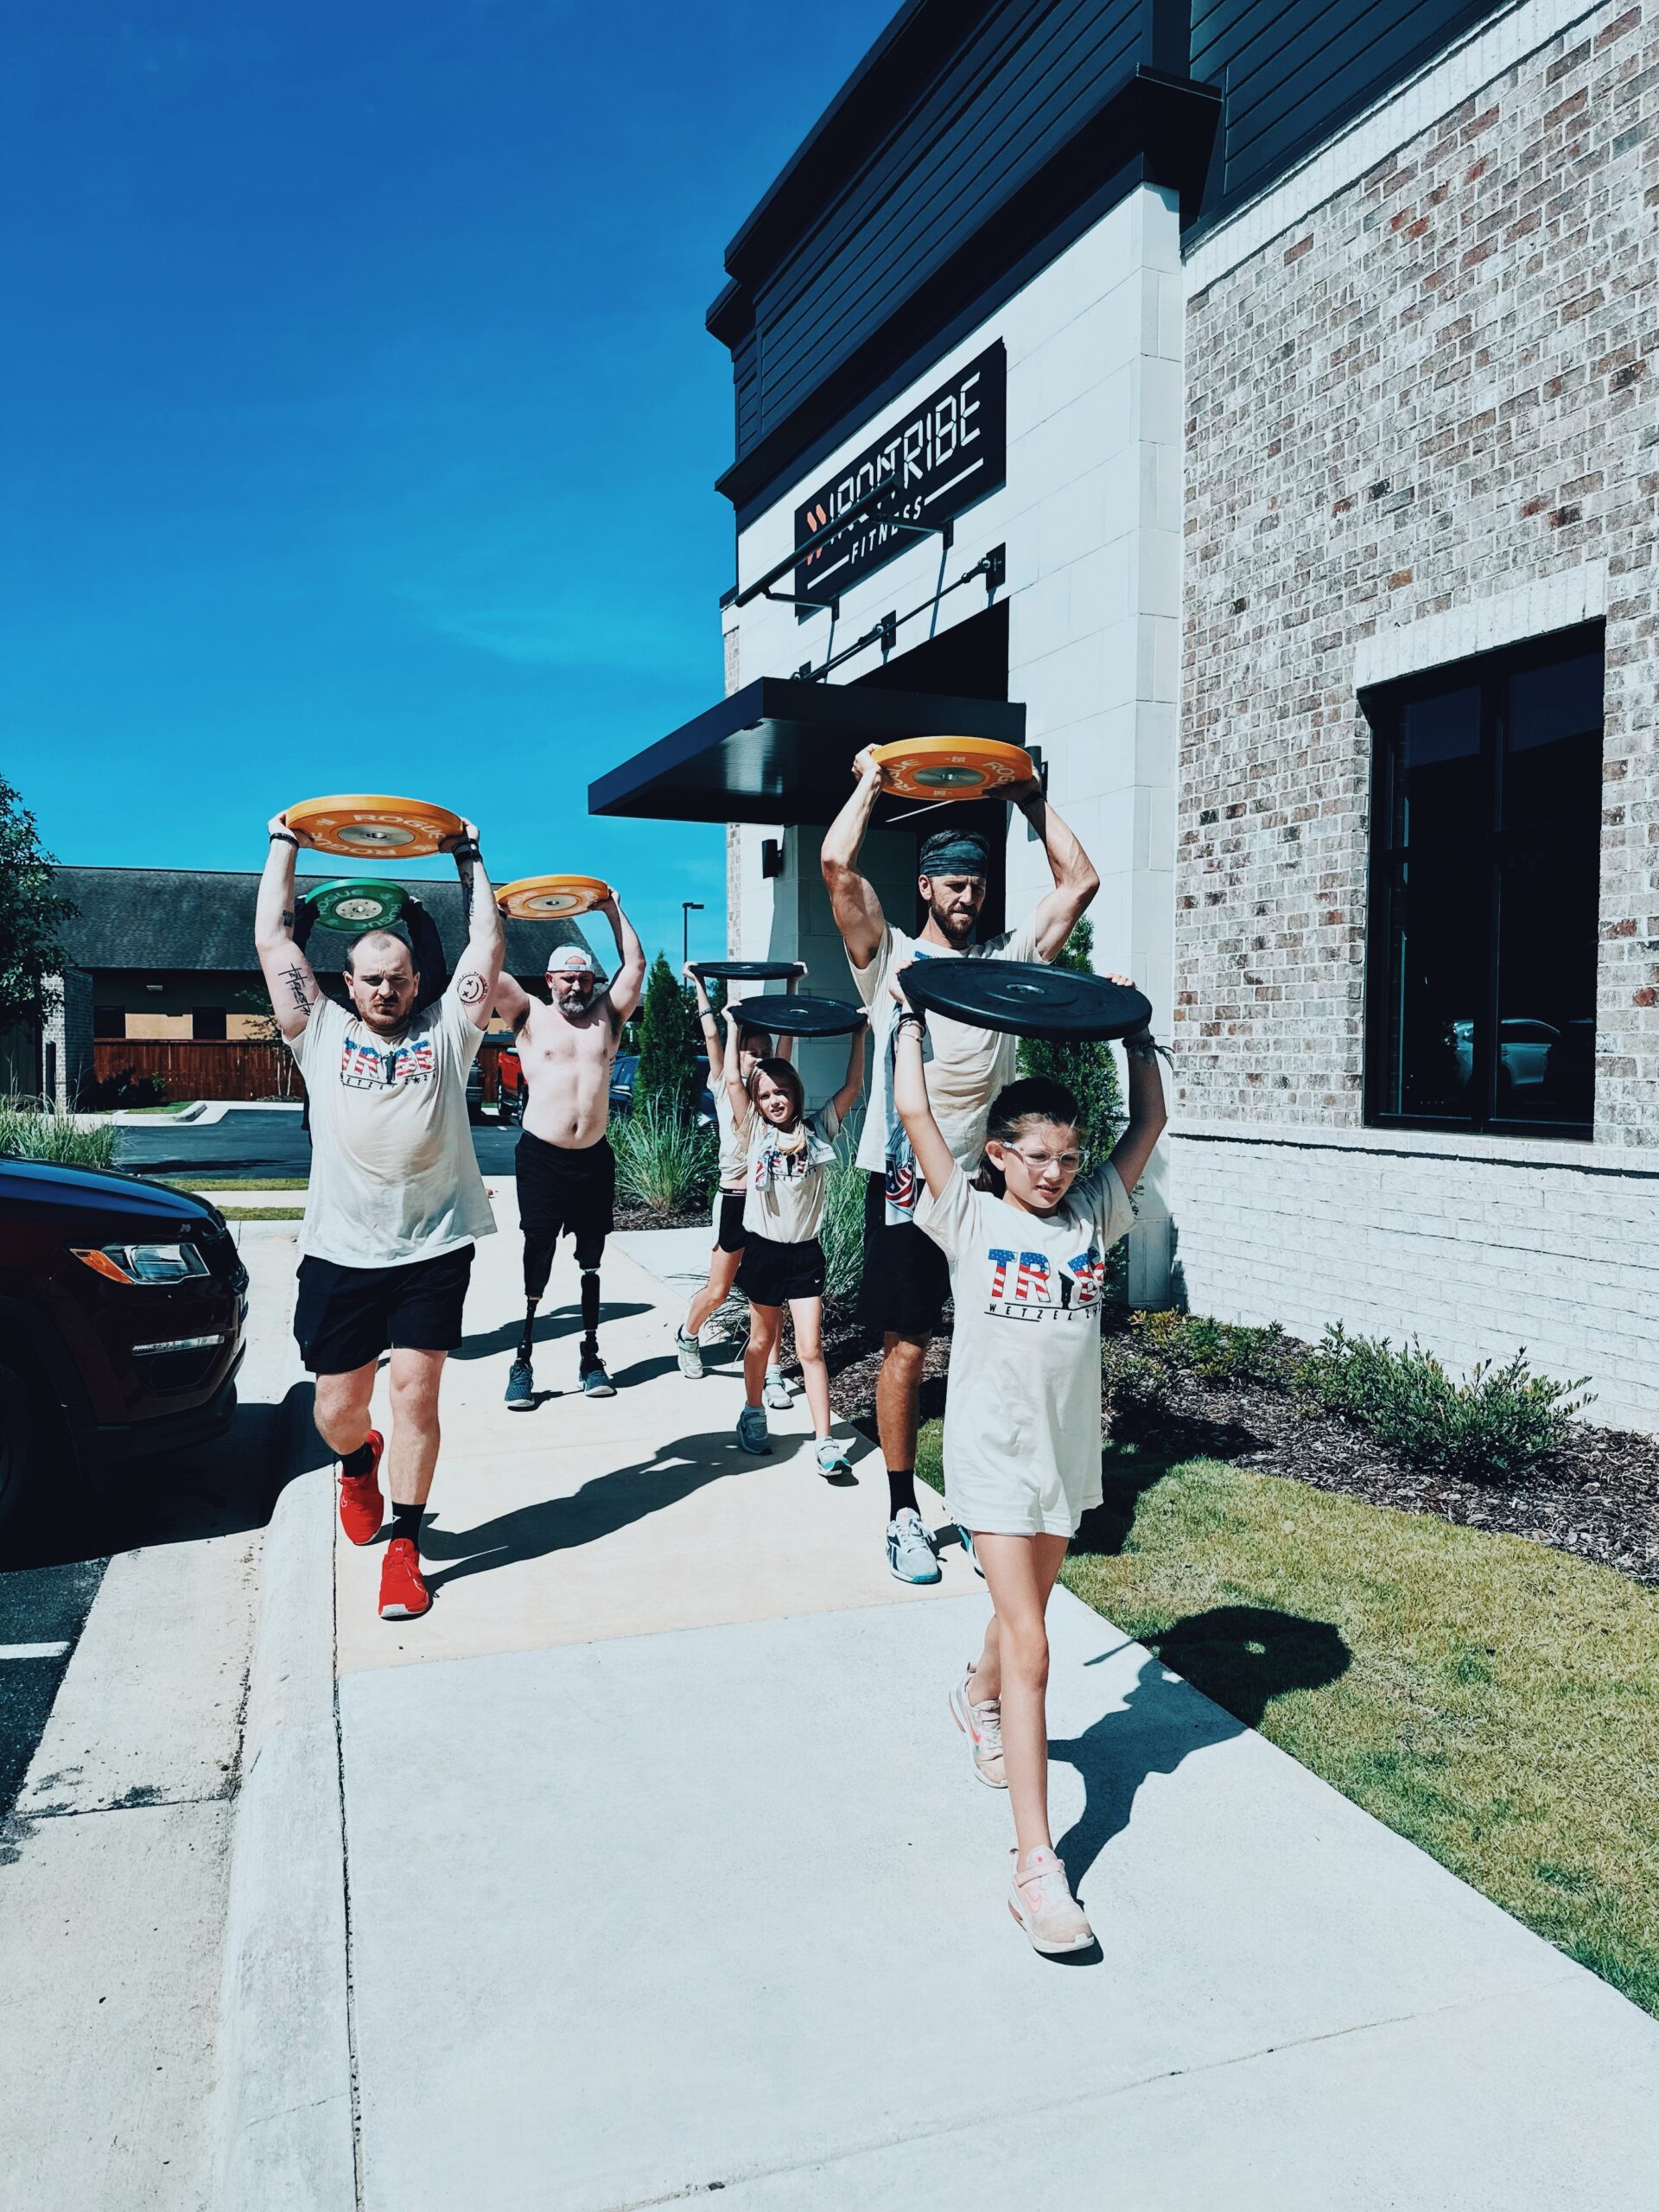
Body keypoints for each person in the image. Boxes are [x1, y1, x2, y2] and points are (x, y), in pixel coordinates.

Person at [891, 978, 1166, 1954]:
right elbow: (918, 1110)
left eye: (1065, 1157)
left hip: (1065, 1455)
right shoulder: (967, 1214)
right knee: (1037, 1641)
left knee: (1023, 1621)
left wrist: (1137, 1034)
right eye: (1034, 1157)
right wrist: (912, 1022)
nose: (1053, 1172)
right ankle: (1036, 1872)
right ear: (1000, 1154)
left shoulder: (1093, 1211)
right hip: (991, 1455)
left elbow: (1152, 1116)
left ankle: (973, 1697)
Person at [820, 748, 1099, 1586]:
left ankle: (985, 1510)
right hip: (908, 1182)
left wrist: (1031, 798)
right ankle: (903, 1510)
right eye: (952, 884)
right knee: (905, 1348)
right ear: (926, 888)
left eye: (976, 885)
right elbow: (837, 865)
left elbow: (1078, 882)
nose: (967, 896)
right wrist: (869, 778)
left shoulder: (1009, 963)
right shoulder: (894, 959)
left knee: (991, 1350)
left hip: (989, 1188)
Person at [254, 808, 505, 1623]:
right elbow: (274, 942)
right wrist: (285, 842)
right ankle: (358, 1464)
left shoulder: (448, 1033)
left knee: (416, 1395)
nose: (388, 989)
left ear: (413, 982)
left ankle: (405, 1547)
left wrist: (468, 855)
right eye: (372, 978)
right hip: (339, 1253)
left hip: (433, 1246)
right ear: (349, 984)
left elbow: (486, 949)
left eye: (399, 976)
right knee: (338, 1409)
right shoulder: (317, 1031)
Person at [492, 895, 645, 1406]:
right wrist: (500, 917)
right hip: (541, 1156)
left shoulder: (610, 1018)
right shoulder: (528, 1015)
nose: (576, 986)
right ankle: (522, 1359)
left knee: (591, 1259)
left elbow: (636, 965)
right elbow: (488, 966)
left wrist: (610, 909)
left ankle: (591, 1357)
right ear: (549, 981)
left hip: (593, 1158)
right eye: (566, 978)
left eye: (583, 978)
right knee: (538, 1253)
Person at [724, 1006, 867, 1472]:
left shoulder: (818, 1129)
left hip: (805, 1255)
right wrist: (729, 1026)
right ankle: (752, 1412)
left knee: (810, 1349)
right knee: (762, 1343)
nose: (775, 1100)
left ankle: (825, 1442)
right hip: (764, 1252)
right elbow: (731, 1083)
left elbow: (852, 1089)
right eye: (766, 1095)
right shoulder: (754, 1133)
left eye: (782, 1092)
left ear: (795, 1095)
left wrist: (858, 1034)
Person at [675, 964, 796, 1407]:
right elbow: (712, 1035)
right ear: (736, 1056)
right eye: (751, 1052)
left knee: (771, 1293)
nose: (760, 1057)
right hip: (733, 1199)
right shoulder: (725, 1087)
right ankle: (688, 1336)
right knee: (720, 1290)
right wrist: (700, 987)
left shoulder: (774, 1094)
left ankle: (774, 1372)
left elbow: (786, 1043)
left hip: (770, 1201)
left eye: (764, 1052)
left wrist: (792, 987)